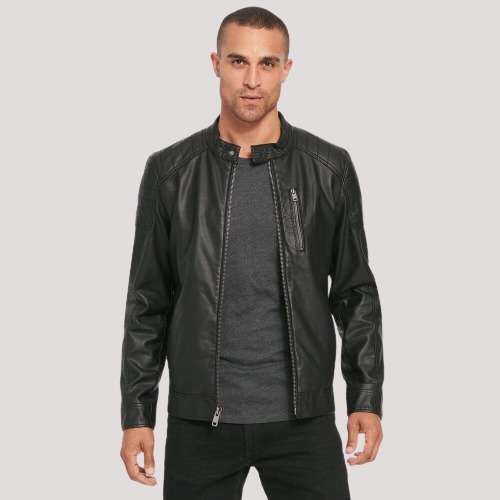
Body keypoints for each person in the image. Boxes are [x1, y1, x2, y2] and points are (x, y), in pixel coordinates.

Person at [119, 6, 384, 499]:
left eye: (267, 63)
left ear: (287, 69)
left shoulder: (329, 168)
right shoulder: (170, 172)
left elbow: (355, 294)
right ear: (216, 63)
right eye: (239, 61)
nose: (252, 80)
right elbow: (147, 302)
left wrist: (365, 397)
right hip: (200, 423)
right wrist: (137, 414)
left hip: (304, 422)